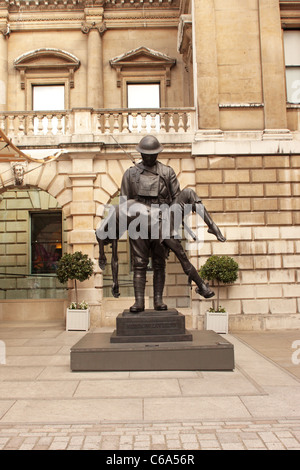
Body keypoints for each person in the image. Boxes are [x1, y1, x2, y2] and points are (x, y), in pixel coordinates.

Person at [96, 135, 226, 314]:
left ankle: (158, 300)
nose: (149, 158)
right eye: (146, 154)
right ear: (141, 154)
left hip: (162, 219)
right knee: (139, 263)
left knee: (159, 263)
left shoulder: (167, 172)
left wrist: (171, 221)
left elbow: (176, 198)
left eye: (153, 154)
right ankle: (139, 301)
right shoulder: (130, 174)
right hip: (139, 225)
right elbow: (125, 204)